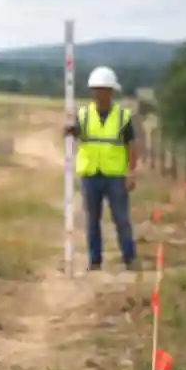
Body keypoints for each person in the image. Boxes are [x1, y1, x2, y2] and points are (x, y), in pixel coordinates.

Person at [64, 66, 138, 271]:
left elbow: (131, 146)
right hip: (90, 175)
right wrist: (69, 130)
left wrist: (131, 172)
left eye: (104, 89)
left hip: (115, 176)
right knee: (92, 220)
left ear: (111, 92)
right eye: (96, 89)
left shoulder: (122, 117)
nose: (99, 94)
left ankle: (129, 258)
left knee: (121, 219)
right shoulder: (83, 115)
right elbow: (76, 132)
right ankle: (95, 261)